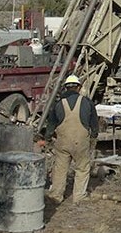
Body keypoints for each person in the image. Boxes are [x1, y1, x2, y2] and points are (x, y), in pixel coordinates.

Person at [41, 74, 98, 204]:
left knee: (60, 169)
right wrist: (94, 136)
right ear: (78, 87)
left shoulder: (58, 104)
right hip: (81, 142)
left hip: (63, 142)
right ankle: (79, 197)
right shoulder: (87, 102)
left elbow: (51, 125)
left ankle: (56, 195)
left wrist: (48, 138)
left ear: (66, 88)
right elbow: (94, 123)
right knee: (82, 168)